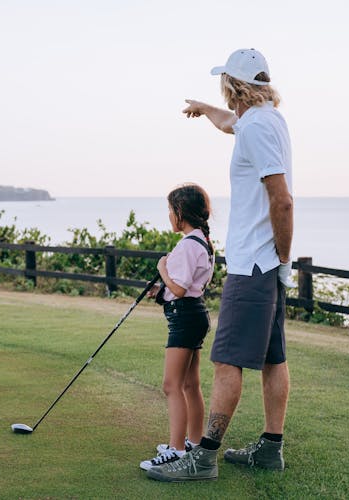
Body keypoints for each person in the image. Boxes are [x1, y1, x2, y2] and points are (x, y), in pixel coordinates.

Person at [147, 48, 295, 482]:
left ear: (236, 86)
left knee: (226, 360)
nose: (222, 94)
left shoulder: (256, 129)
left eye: (223, 86)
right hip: (267, 265)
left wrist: (280, 257)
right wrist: (204, 109)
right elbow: (231, 123)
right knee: (273, 358)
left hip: (254, 263)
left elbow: (281, 200)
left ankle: (203, 457)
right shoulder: (266, 120)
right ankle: (270, 449)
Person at [139, 183, 215, 472]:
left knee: (171, 386)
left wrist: (161, 270)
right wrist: (161, 289)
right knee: (189, 384)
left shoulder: (186, 246)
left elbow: (181, 289)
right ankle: (193, 443)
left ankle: (177, 450)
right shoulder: (203, 243)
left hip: (184, 317)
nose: (169, 216)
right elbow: (186, 287)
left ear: (180, 213)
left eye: (170, 210)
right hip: (195, 315)